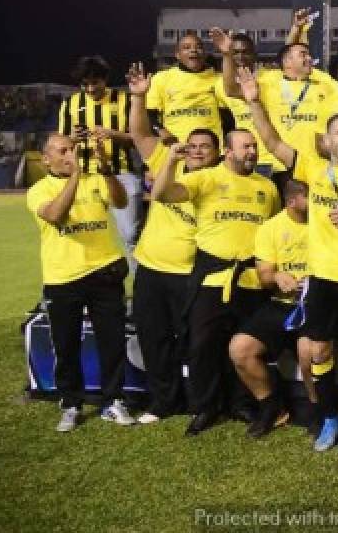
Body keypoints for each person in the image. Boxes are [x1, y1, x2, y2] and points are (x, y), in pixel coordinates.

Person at [238, 66, 338, 451]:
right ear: (326, 140)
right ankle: (327, 416)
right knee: (320, 351)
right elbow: (273, 142)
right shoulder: (312, 168)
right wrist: (254, 102)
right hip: (320, 277)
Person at [152, 128, 279, 437]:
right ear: (228, 151)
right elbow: (161, 194)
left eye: (254, 146)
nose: (251, 151)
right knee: (203, 344)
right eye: (245, 146)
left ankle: (241, 404)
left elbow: (273, 230)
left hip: (250, 278)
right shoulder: (206, 178)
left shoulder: (268, 188)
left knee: (243, 344)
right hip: (212, 275)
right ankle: (205, 407)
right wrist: (170, 160)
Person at [126, 63, 220, 424]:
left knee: (195, 344)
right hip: (151, 267)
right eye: (193, 145)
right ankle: (163, 402)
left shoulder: (220, 181)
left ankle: (200, 402)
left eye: (205, 147)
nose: (196, 151)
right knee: (154, 338)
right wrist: (137, 97)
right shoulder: (169, 161)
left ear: (217, 154)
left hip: (190, 274)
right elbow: (138, 133)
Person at [27, 132, 134, 431]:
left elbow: (122, 202)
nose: (69, 154)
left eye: (72, 149)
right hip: (63, 277)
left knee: (112, 341)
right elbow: (57, 215)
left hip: (104, 272)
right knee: (66, 344)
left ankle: (113, 401)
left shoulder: (95, 178)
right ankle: (71, 403)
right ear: (46, 158)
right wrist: (75, 175)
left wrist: (106, 169)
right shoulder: (38, 190)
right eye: (62, 151)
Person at [228, 178, 310, 438]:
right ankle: (270, 406)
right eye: (310, 198)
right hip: (281, 304)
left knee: (309, 353)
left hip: (315, 305)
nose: (317, 204)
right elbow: (264, 275)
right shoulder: (270, 228)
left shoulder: (324, 224)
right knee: (240, 349)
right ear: (292, 201)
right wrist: (277, 278)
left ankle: (322, 411)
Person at [217, 32, 338, 190]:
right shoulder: (268, 81)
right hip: (269, 166)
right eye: (303, 55)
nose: (309, 58)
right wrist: (227, 55)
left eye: (309, 55)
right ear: (287, 61)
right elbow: (232, 90)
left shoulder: (326, 87)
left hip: (307, 166)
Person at [58, 56, 142, 251]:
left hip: (121, 173)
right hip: (85, 177)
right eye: (85, 84)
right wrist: (71, 139)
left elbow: (139, 140)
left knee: (130, 235)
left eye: (95, 83)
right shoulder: (70, 103)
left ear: (105, 79)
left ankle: (139, 280)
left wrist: (113, 134)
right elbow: (61, 144)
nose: (90, 89)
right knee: (85, 232)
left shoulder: (125, 100)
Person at [212, 33, 279, 176]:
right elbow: (226, 122)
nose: (240, 57)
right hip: (243, 158)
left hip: (275, 157)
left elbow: (287, 58)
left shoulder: (271, 77)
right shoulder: (220, 85)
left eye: (245, 52)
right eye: (235, 52)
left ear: (254, 55)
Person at [146, 33, 225, 143]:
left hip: (211, 148)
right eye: (186, 47)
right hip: (175, 147)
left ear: (205, 54)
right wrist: (160, 130)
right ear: (177, 54)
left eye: (198, 47)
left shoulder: (218, 79)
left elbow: (228, 116)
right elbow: (149, 114)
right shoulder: (161, 78)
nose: (193, 50)